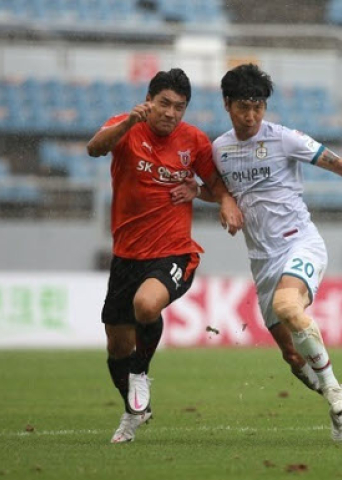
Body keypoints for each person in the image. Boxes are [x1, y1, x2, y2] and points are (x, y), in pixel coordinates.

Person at [171, 64, 342, 441]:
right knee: (292, 358)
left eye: (258, 107)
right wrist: (204, 194)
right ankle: (339, 394)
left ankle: (334, 391)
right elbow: (222, 191)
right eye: (243, 107)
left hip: (299, 243)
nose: (251, 116)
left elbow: (341, 165)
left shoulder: (285, 139)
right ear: (227, 104)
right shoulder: (220, 149)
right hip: (262, 261)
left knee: (289, 307)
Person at [86, 69, 243, 443]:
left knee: (146, 305)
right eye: (165, 104)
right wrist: (128, 123)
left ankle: (141, 374)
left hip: (174, 252)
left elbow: (217, 184)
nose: (171, 113)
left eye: (180, 107)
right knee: (117, 346)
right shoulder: (126, 127)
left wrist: (221, 200)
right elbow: (94, 148)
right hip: (126, 255)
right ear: (149, 101)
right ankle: (134, 410)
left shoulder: (194, 141)